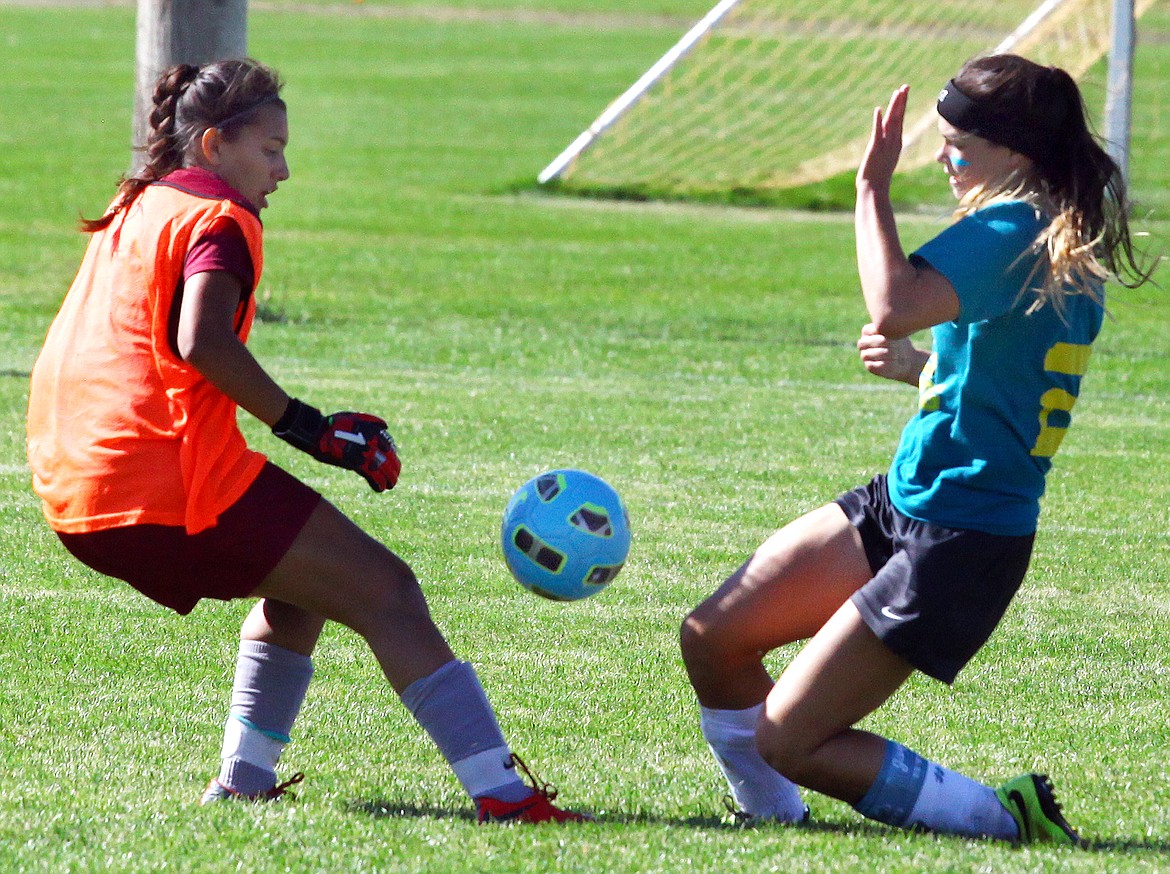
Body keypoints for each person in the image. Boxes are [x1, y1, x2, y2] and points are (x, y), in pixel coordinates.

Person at [26, 57, 583, 824]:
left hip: (75, 484)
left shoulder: (138, 206)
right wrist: (310, 429)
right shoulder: (221, 218)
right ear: (215, 145)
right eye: (271, 149)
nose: (283, 170)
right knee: (389, 593)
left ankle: (244, 782)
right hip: (159, 480)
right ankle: (504, 796)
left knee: (301, 594)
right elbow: (201, 340)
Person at [680, 53, 1154, 845]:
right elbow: (1004, 386)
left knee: (789, 738)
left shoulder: (1013, 226)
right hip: (907, 502)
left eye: (957, 145)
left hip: (961, 540)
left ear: (1016, 155)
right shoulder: (1044, 233)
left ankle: (1004, 819)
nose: (944, 158)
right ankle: (769, 826)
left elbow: (893, 301)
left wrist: (870, 191)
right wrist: (921, 371)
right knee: (715, 637)